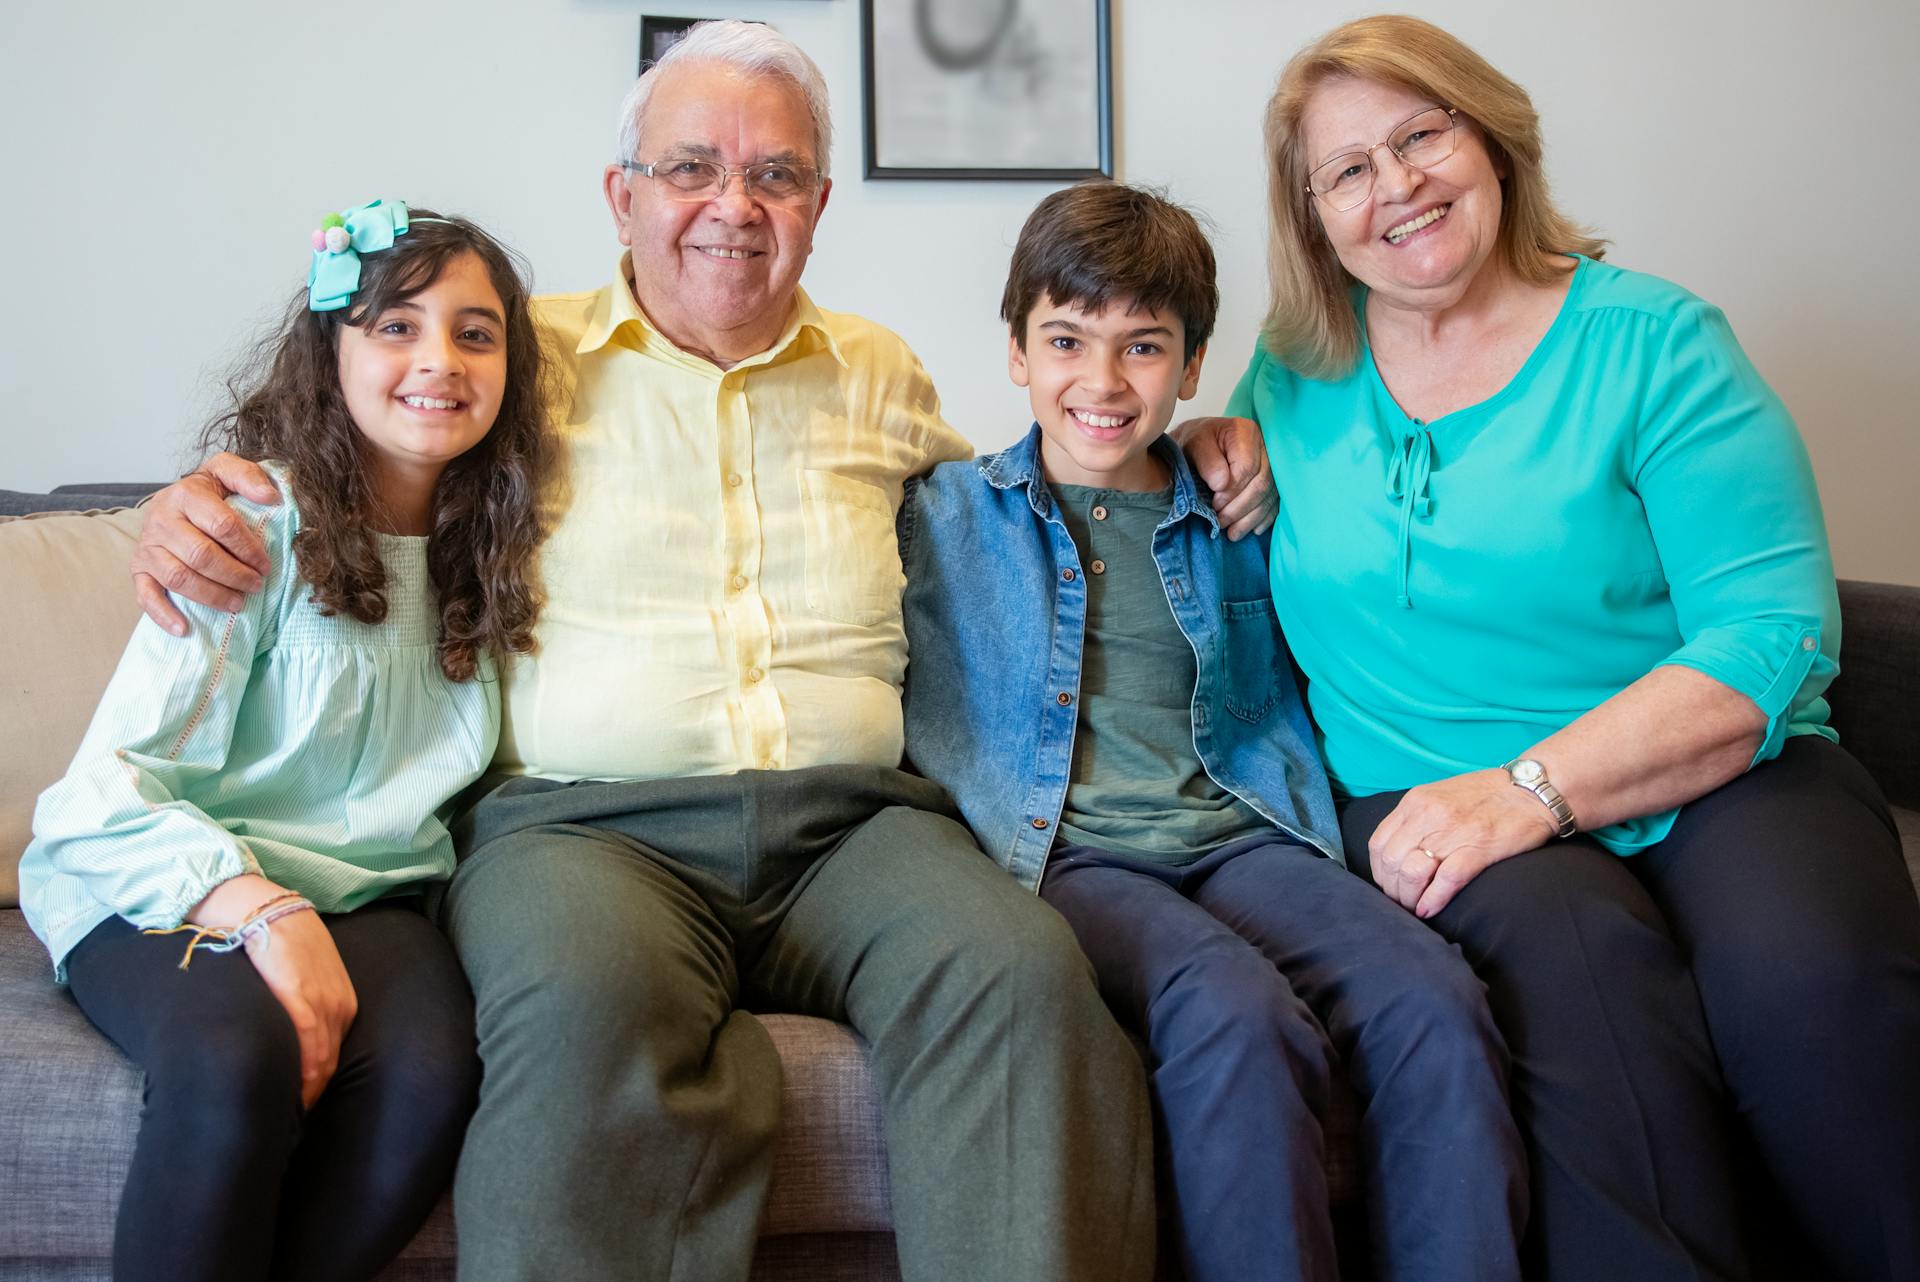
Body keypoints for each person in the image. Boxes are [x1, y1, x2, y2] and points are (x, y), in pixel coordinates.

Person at [120, 22, 1274, 1282]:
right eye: (690, 170)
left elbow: (1034, 490)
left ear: (821, 205)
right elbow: (363, 432)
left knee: (1024, 981)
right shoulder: (517, 359)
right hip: (581, 829)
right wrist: (203, 499)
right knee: (583, 1012)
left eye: (776, 175)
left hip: (859, 828)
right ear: (622, 196)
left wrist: (1198, 443)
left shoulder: (878, 371)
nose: (735, 205)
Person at [1217, 14, 1920, 1282]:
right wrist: (1211, 447)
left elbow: (1772, 633)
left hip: (1719, 773)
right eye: (1350, 169)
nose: (1399, 187)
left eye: (1422, 135)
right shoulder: (1293, 373)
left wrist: (1534, 789)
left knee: (1813, 999)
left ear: (1489, 138)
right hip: (1432, 795)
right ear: (1314, 213)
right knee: (1596, 1018)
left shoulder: (1656, 342)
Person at [898, 179, 1528, 1282]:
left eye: (1144, 348)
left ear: (1192, 368)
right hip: (1066, 857)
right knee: (1236, 1013)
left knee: (1433, 995)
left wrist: (1252, 447)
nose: (1101, 382)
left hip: (1243, 833)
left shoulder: (1239, 505)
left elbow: (1403, 519)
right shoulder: (946, 513)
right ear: (1014, 352)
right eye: (1065, 341)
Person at [18, 200, 552, 1282]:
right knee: (233, 1056)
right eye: (394, 325)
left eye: (474, 332)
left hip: (378, 891)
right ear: (332, 349)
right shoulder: (250, 526)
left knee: (430, 1074)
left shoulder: (500, 549)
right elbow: (97, 796)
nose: (437, 359)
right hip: (166, 877)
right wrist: (265, 911)